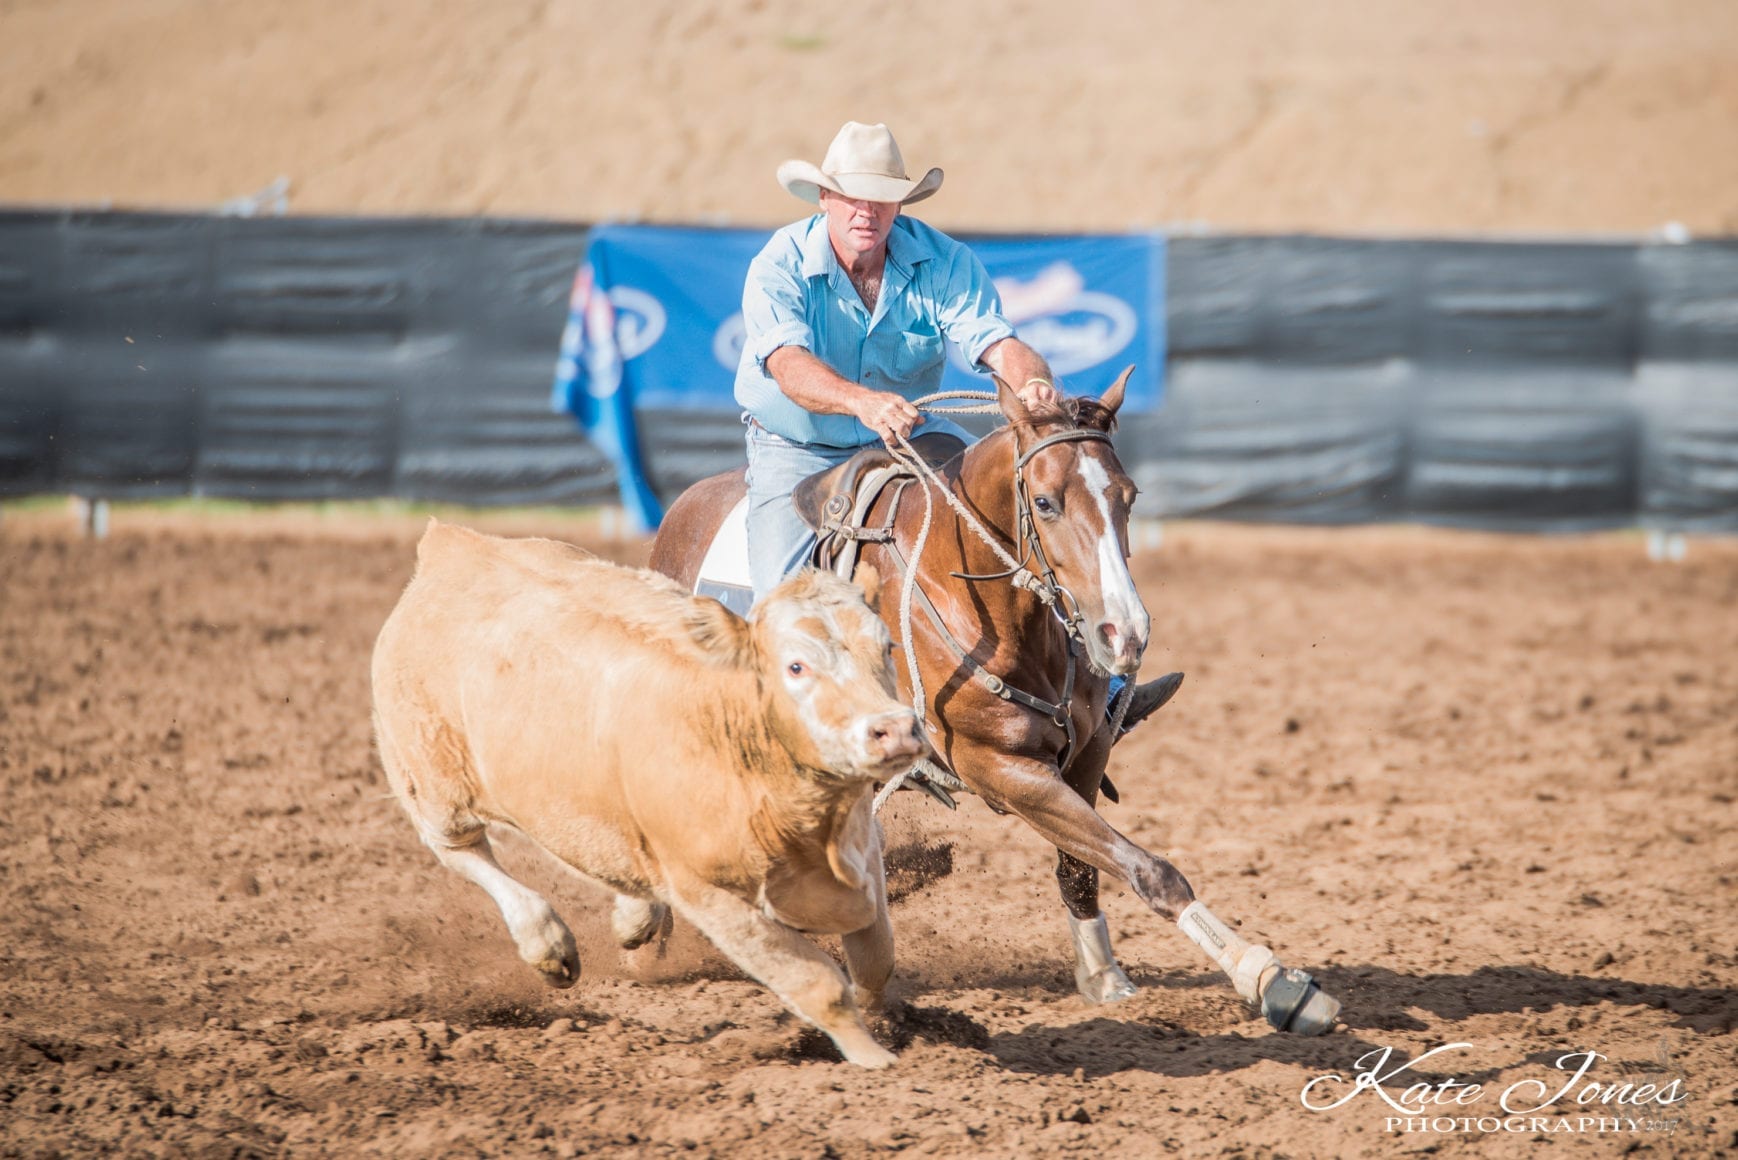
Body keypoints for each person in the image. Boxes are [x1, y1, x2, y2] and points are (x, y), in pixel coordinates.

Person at [734, 121, 1061, 601]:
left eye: (881, 197)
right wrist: (862, 402)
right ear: (824, 197)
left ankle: (1088, 658)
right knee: (783, 607)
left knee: (1019, 507)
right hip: (797, 446)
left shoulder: (944, 261)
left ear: (900, 204)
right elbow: (788, 366)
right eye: (852, 196)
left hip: (909, 433)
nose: (866, 211)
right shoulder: (779, 264)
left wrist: (1030, 380)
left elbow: (994, 341)